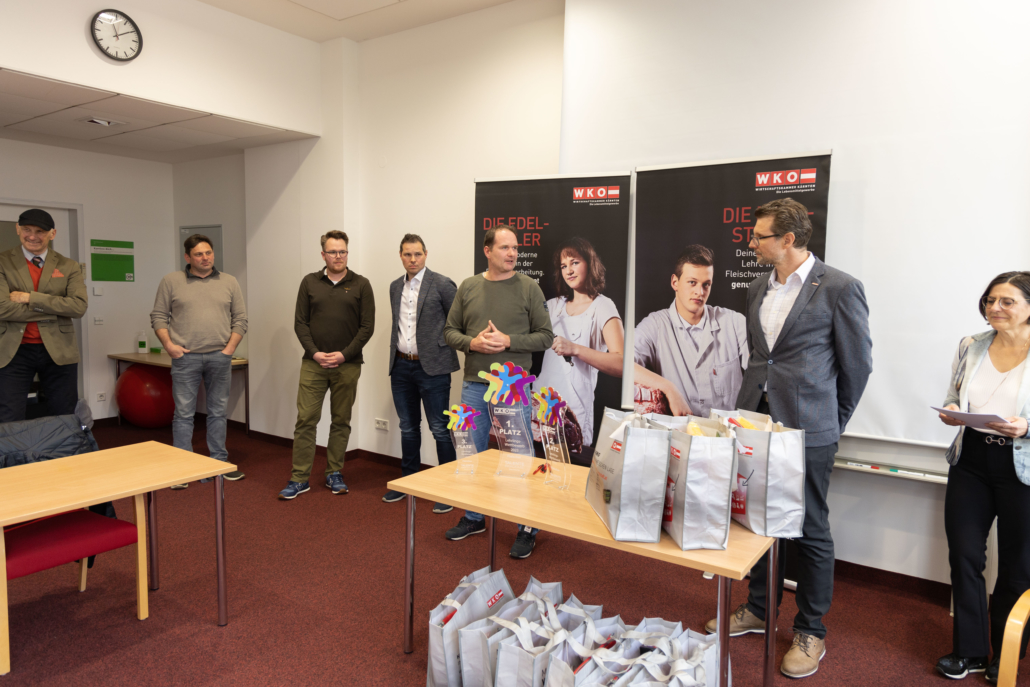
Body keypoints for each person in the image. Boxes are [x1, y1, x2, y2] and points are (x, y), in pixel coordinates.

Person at [703, 197, 872, 679]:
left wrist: (830, 422)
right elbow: (763, 359)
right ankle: (760, 608)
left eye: (759, 236)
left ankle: (811, 630)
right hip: (754, 423)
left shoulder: (839, 287)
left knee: (810, 528)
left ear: (789, 239)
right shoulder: (757, 286)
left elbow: (857, 366)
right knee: (757, 521)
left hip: (809, 429)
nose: (751, 243)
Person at [935, 271, 1030, 684]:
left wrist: (1027, 427)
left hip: (1022, 467)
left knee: (1017, 566)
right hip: (971, 460)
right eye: (991, 300)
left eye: (1007, 301)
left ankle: (1004, 657)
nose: (995, 307)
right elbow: (953, 394)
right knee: (964, 556)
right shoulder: (971, 345)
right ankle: (969, 651)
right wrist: (952, 410)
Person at [443, 225, 554, 558]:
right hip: (474, 384)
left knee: (519, 456)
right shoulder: (468, 286)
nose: (512, 253)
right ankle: (474, 516)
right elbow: (449, 331)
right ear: (487, 251)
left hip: (512, 387)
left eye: (515, 248)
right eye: (505, 247)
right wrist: (472, 343)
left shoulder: (529, 287)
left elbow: (546, 336)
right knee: (469, 453)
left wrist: (508, 341)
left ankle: (526, 526)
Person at [279, 231, 374, 500]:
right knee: (306, 420)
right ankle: (299, 478)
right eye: (332, 252)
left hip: (348, 365)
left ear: (347, 253)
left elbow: (367, 327)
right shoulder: (309, 282)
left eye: (342, 251)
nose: (338, 256)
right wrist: (315, 353)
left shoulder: (361, 284)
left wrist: (344, 355)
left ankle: (334, 472)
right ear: (323, 255)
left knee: (341, 420)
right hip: (314, 364)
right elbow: (300, 323)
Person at [152, 234, 247, 488]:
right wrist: (169, 346)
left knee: (218, 412)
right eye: (198, 254)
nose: (205, 258)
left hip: (220, 357)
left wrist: (229, 349)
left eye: (208, 253)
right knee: (183, 414)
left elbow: (240, 319)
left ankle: (219, 463)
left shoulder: (229, 281)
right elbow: (158, 316)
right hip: (185, 358)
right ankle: (182, 469)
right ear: (187, 257)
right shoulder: (171, 281)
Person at [382, 233, 460, 512]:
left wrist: (440, 343)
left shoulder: (442, 284)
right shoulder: (394, 287)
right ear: (400, 256)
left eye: (417, 254)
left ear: (426, 254)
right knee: (408, 426)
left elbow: (457, 322)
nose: (412, 259)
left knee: (439, 428)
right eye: (407, 254)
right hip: (401, 366)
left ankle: (448, 490)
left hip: (434, 367)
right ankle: (409, 482)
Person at [633, 244, 747, 420]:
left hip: (728, 433)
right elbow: (624, 363)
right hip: (679, 433)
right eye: (692, 282)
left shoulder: (734, 322)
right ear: (675, 282)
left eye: (706, 285)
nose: (699, 292)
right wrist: (669, 388)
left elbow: (760, 375)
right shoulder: (655, 325)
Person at [533, 237, 623, 460]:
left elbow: (621, 363)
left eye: (574, 262)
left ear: (590, 263)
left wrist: (575, 349)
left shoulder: (602, 306)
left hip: (573, 411)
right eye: (563, 266)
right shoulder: (553, 305)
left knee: (568, 473)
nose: (569, 271)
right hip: (540, 406)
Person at [0, 209, 88, 422]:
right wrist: (53, 312)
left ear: (52, 233)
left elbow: (78, 307)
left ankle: (63, 446)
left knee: (64, 413)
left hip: (59, 349)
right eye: (27, 230)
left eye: (40, 231)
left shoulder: (69, 266)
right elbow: (3, 308)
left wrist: (31, 298)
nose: (32, 236)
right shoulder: (3, 262)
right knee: (9, 414)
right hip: (13, 351)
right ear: (18, 229)